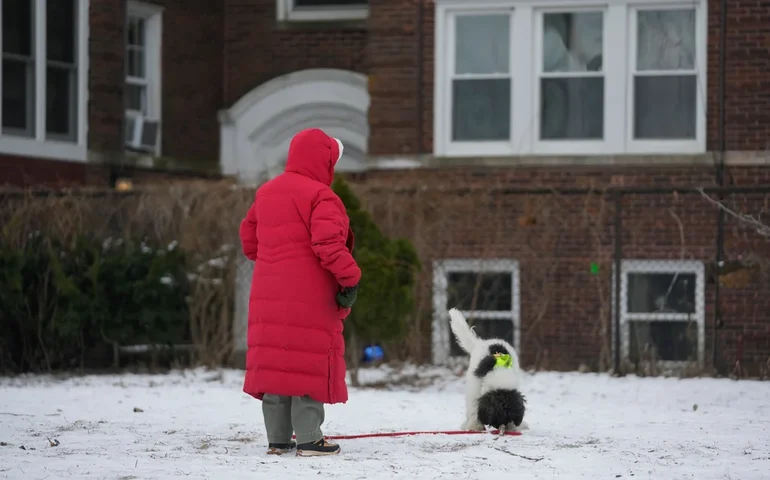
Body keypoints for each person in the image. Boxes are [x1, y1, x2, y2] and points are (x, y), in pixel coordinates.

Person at [238, 128, 361, 457]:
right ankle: (309, 439)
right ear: (324, 162)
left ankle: (277, 440)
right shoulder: (321, 196)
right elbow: (328, 244)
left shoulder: (266, 192)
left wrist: (276, 260)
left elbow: (249, 240)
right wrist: (351, 278)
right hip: (309, 297)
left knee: (278, 364)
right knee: (307, 363)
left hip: (268, 294)